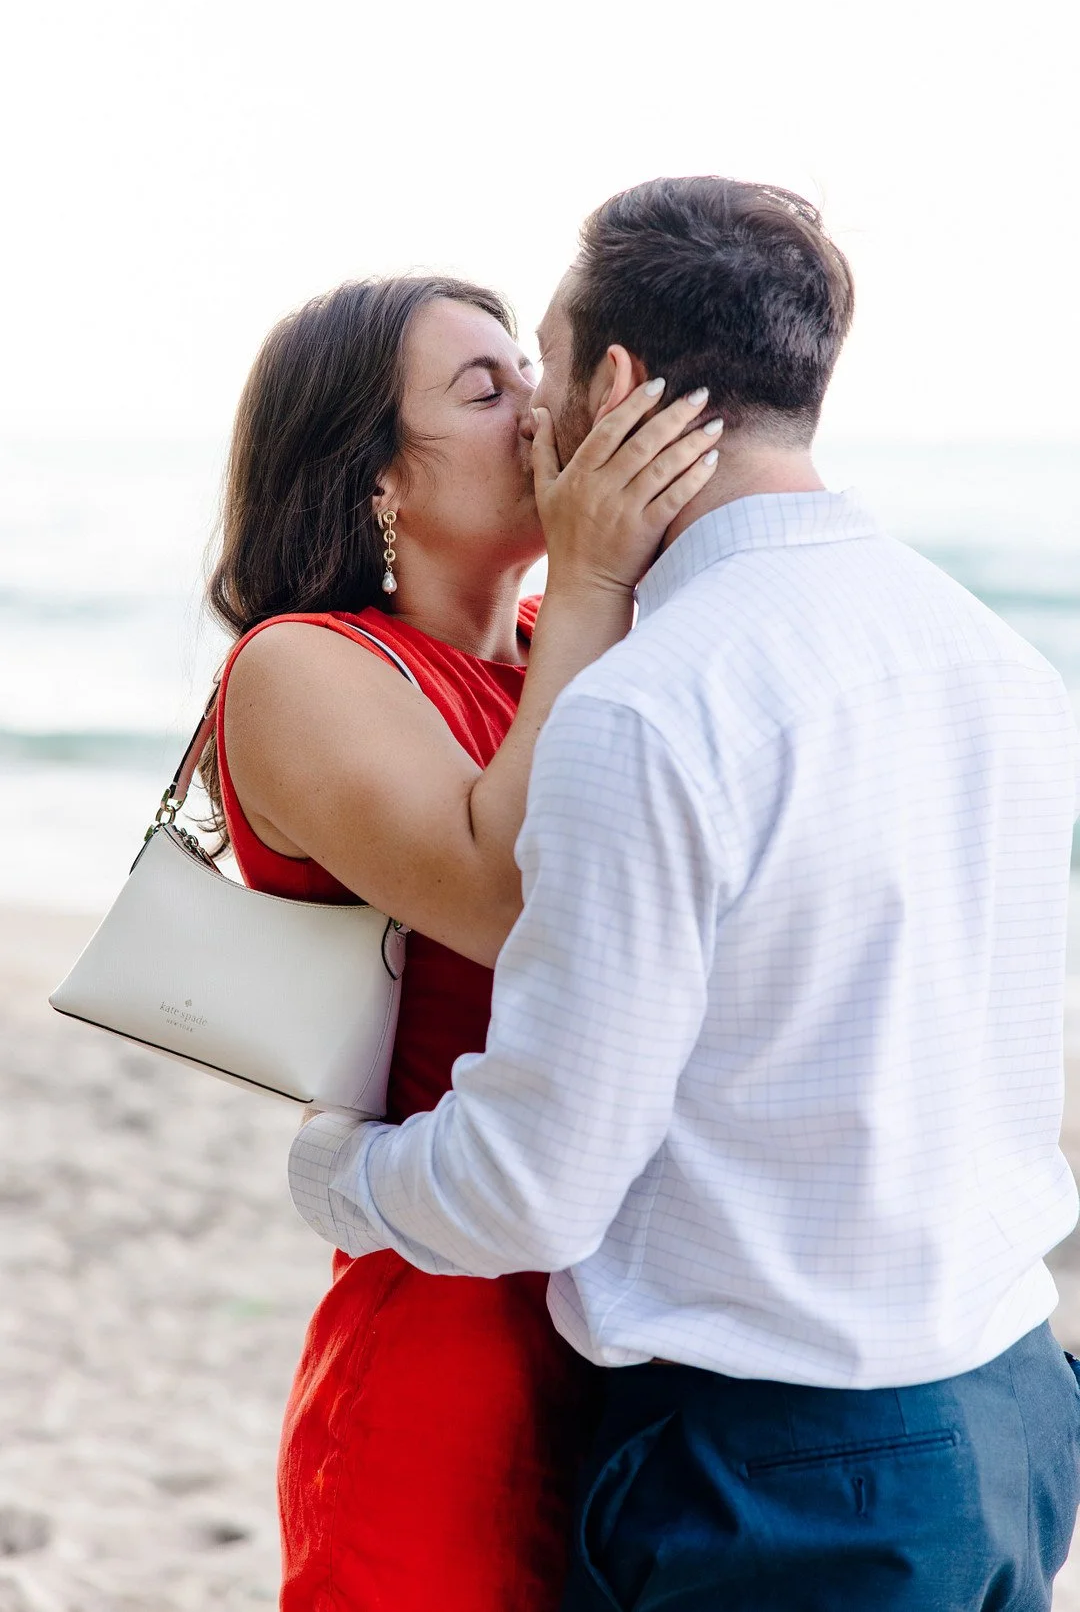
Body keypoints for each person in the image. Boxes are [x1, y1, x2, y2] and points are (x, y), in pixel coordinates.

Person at [290, 177, 1080, 1611]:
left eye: (539, 366)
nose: (532, 416)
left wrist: (336, 1171)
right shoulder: (1000, 660)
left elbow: (536, 1185)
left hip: (785, 1464)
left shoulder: (652, 704)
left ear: (615, 383)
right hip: (1014, 1399)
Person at [202, 273, 720, 1610]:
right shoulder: (303, 667)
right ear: (375, 478)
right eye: (482, 391)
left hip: (635, 1320)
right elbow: (508, 896)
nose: (536, 415)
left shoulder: (566, 643)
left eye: (526, 378)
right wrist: (598, 571)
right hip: (450, 1336)